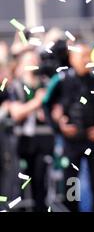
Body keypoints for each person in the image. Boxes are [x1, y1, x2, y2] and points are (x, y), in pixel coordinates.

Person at [43, 42, 94, 212]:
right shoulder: (61, 80)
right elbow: (46, 104)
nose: (86, 60)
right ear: (72, 58)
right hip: (71, 141)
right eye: (82, 56)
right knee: (71, 185)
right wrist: (59, 127)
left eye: (88, 56)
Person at [9, 49, 54, 211]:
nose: (32, 65)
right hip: (23, 141)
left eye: (35, 61)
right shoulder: (15, 86)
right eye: (28, 61)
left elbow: (53, 112)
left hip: (44, 140)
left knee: (41, 181)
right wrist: (36, 103)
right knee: (21, 181)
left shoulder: (47, 84)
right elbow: (16, 113)